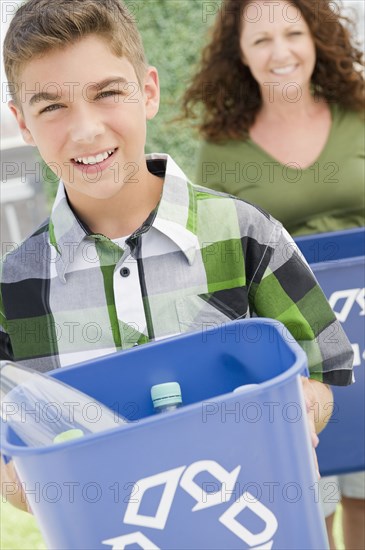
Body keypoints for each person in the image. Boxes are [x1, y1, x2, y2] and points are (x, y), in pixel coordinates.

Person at [0, 0, 353, 524]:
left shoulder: (245, 232)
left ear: (147, 91)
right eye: (51, 106)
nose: (86, 130)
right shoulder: (14, 286)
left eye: (108, 93)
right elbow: (12, 455)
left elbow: (323, 368)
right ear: (22, 123)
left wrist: (301, 405)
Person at [181, 0, 364, 547]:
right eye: (261, 40)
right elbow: (216, 257)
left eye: (293, 33)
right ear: (239, 54)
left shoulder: (359, 112)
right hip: (293, 344)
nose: (280, 52)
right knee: (311, 494)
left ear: (317, 39)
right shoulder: (222, 149)